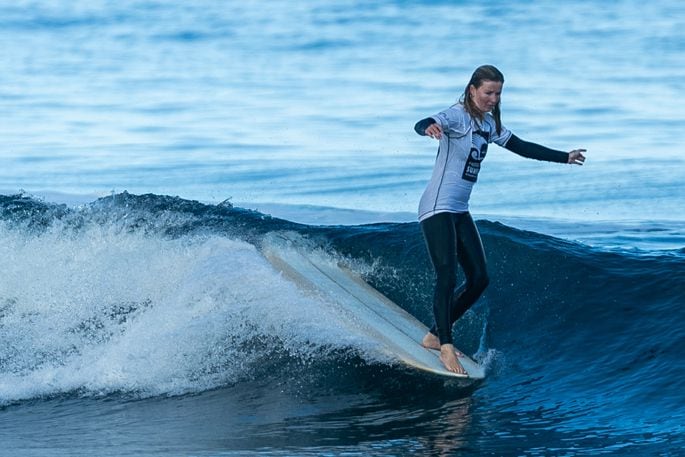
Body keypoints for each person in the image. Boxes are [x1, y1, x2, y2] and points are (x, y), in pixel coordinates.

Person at [414, 65, 586, 374]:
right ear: (472, 90)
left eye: (498, 93)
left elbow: (521, 147)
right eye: (488, 92)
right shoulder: (456, 116)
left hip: (459, 209)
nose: (493, 98)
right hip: (437, 207)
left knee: (479, 278)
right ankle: (446, 347)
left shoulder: (489, 124)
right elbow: (424, 122)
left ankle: (434, 334)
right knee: (447, 275)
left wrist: (564, 156)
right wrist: (429, 128)